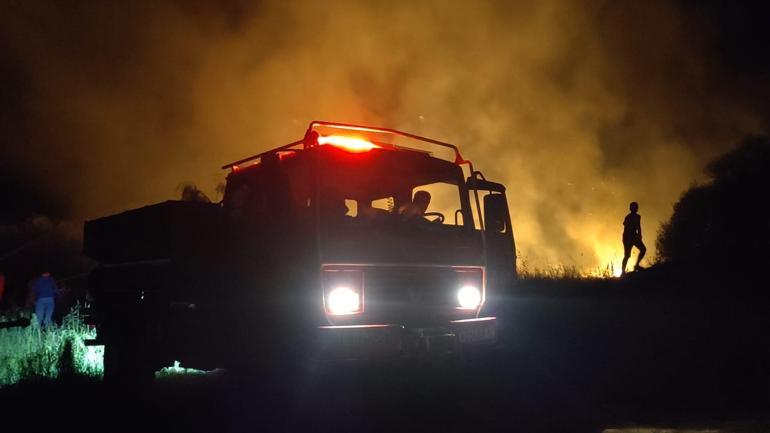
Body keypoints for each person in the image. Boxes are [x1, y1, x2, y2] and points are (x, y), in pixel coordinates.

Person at [621, 201, 647, 274]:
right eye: (634, 207)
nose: (635, 209)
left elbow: (638, 226)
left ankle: (636, 265)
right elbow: (626, 229)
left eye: (636, 207)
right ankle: (623, 272)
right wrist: (628, 240)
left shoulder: (638, 217)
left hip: (634, 236)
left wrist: (640, 235)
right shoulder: (628, 217)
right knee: (627, 255)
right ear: (631, 208)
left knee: (643, 249)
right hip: (627, 237)